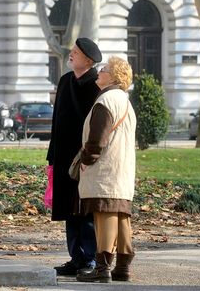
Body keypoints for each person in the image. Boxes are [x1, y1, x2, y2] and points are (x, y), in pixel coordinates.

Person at [75, 56, 137, 283]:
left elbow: (97, 139)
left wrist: (86, 158)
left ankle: (102, 269)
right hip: (122, 169)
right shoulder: (125, 101)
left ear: (113, 76)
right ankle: (122, 268)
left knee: (104, 215)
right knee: (121, 217)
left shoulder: (106, 100)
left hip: (105, 168)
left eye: (104, 69)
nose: (99, 71)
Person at [46, 37, 103, 277]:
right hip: (63, 157)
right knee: (69, 210)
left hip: (85, 158)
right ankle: (75, 257)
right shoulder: (65, 80)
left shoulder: (96, 85)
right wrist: (51, 157)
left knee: (86, 210)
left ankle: (89, 257)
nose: (71, 54)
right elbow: (56, 122)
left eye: (76, 52)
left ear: (88, 60)